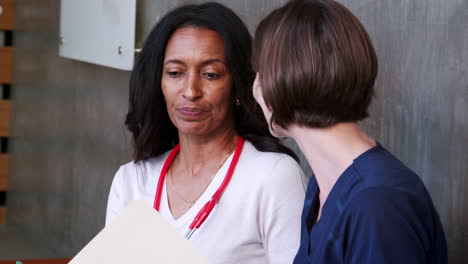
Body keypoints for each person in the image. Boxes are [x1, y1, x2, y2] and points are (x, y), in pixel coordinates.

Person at [105, 2, 307, 263]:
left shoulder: (273, 177)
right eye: (175, 73)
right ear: (159, 84)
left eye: (211, 75)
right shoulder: (131, 181)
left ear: (238, 85)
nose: (190, 91)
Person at [251, 0, 448, 263]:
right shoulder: (320, 189)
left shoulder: (378, 202)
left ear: (281, 79)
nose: (256, 88)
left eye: (261, 73)